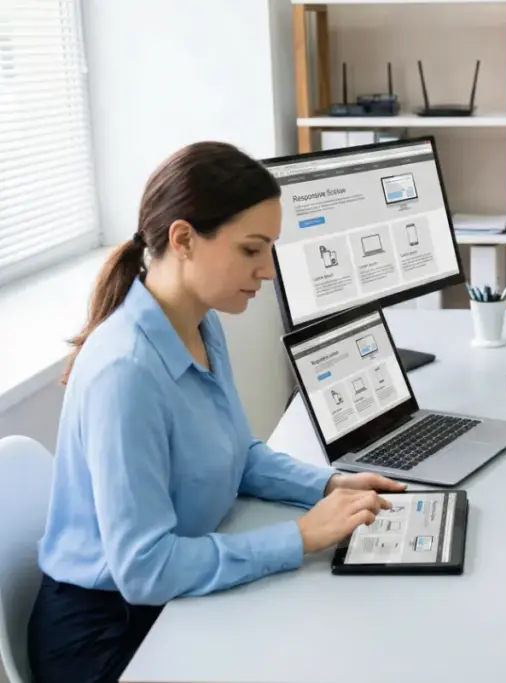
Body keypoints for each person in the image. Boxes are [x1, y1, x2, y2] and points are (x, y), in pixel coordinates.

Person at [26, 141, 407, 683]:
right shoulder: (125, 371)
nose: (268, 271)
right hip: (106, 637)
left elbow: (239, 456)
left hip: (167, 604)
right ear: (183, 239)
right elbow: (145, 569)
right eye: (252, 250)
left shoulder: (203, 326)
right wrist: (298, 538)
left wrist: (327, 487)